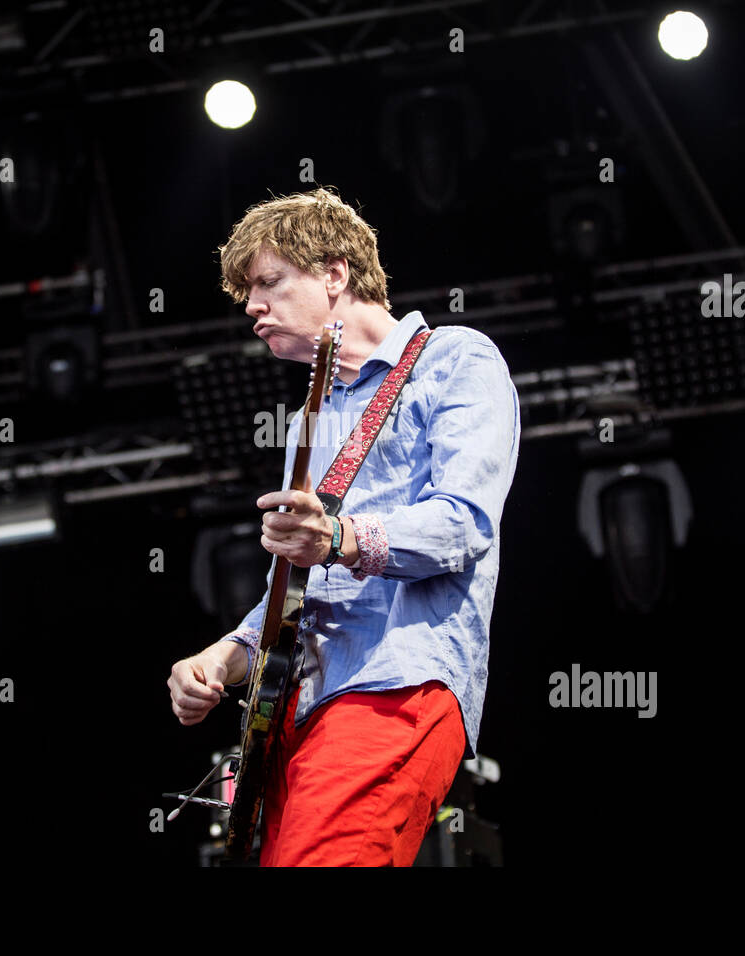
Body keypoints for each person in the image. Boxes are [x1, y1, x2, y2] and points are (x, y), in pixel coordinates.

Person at [166, 186, 520, 866]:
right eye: (246, 291)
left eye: (268, 282)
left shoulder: (455, 358)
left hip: (397, 684)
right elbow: (292, 590)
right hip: (300, 711)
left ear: (335, 274)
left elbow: (463, 524)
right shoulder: (310, 419)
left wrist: (339, 537)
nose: (251, 306)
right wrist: (223, 657)